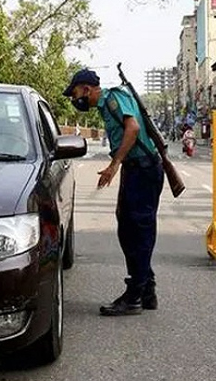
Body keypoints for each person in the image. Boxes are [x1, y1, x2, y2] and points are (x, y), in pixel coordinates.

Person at [63, 68, 165, 316]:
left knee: (137, 231)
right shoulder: (107, 104)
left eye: (76, 94)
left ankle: (134, 296)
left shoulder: (112, 98)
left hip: (144, 170)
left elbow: (132, 129)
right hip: (136, 169)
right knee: (128, 227)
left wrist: (114, 165)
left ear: (87, 89)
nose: (75, 100)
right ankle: (146, 290)